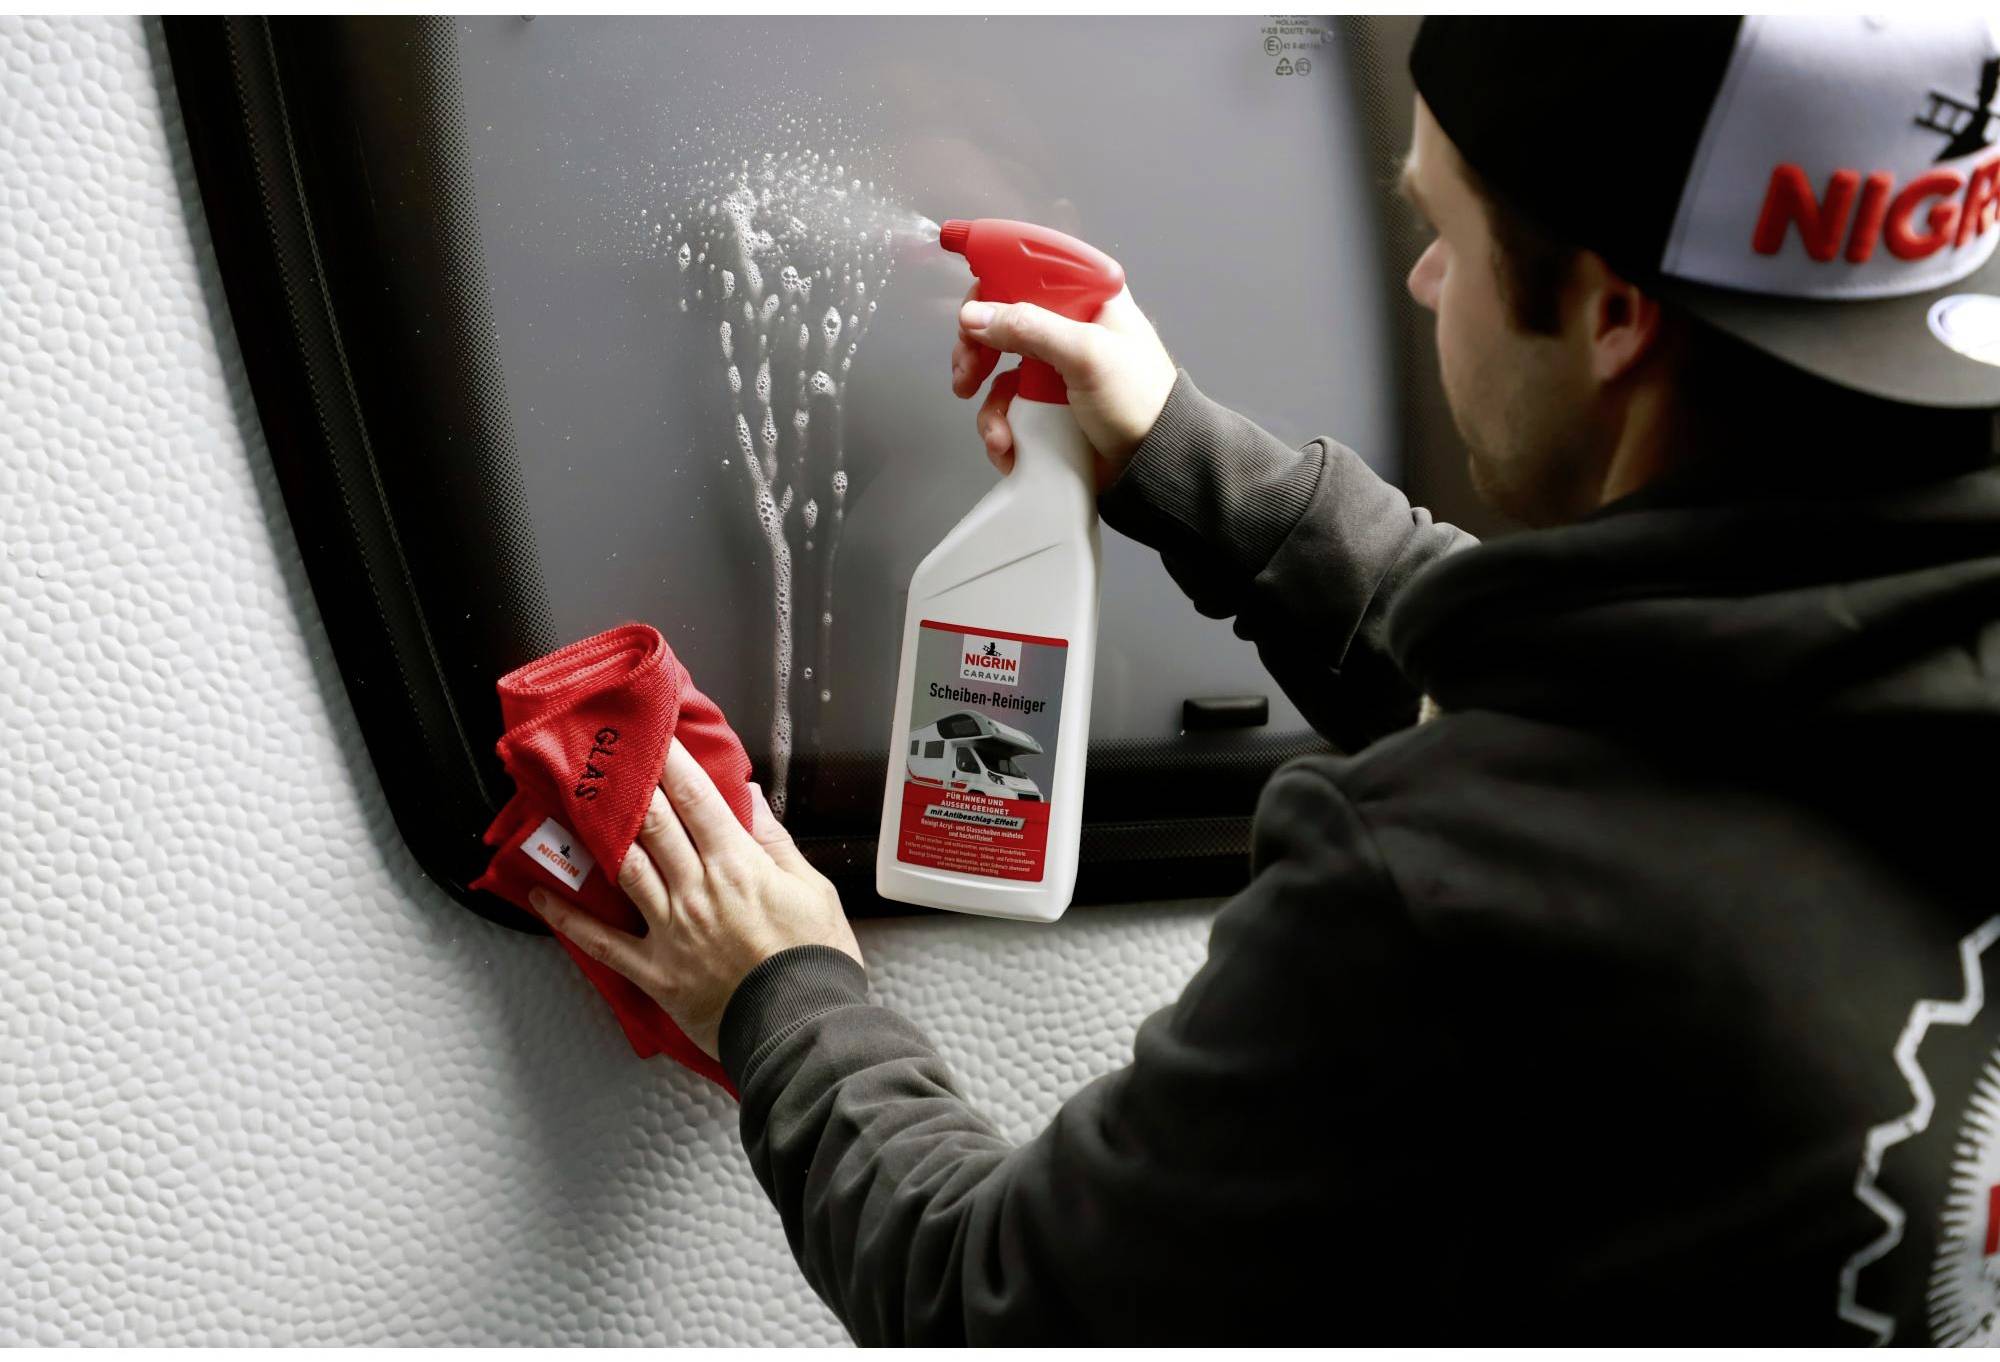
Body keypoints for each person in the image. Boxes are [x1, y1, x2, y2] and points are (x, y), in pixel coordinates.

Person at [528, 16, 2000, 1344]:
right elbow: (1664, 694)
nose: (1424, 279)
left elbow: (1004, 1301)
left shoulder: (1434, 891)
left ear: (1615, 313)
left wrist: (785, 993)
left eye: (1444, 231)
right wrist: (1179, 453)